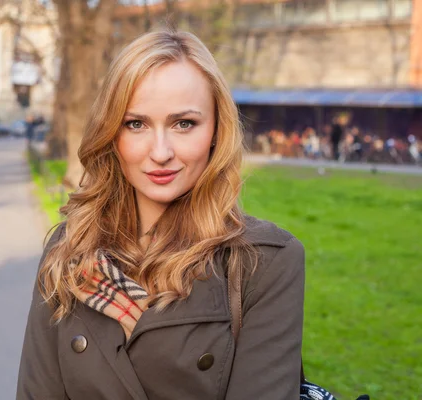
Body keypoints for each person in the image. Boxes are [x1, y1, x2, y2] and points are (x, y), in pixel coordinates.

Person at [17, 30, 305, 399]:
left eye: (184, 123)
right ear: (111, 134)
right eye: (135, 124)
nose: (161, 151)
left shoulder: (263, 263)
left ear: (217, 129)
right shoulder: (70, 248)